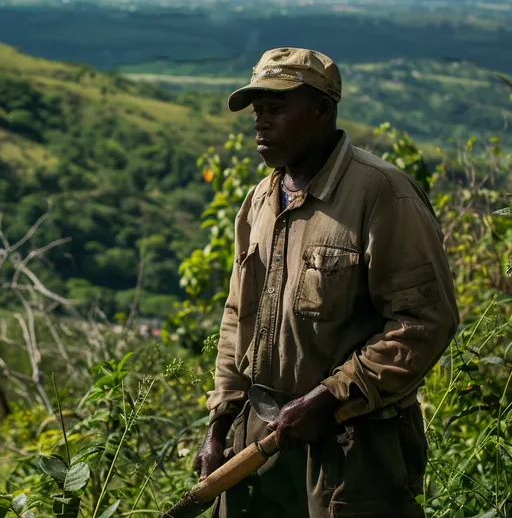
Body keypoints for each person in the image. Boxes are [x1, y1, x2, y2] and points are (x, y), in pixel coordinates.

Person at [192, 47, 460, 518]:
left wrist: (329, 397)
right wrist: (219, 426)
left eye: (276, 109)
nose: (261, 124)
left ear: (321, 108)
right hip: (260, 445)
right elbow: (238, 319)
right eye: (258, 111)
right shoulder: (260, 200)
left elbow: (424, 323)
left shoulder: (382, 195)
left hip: (353, 451)